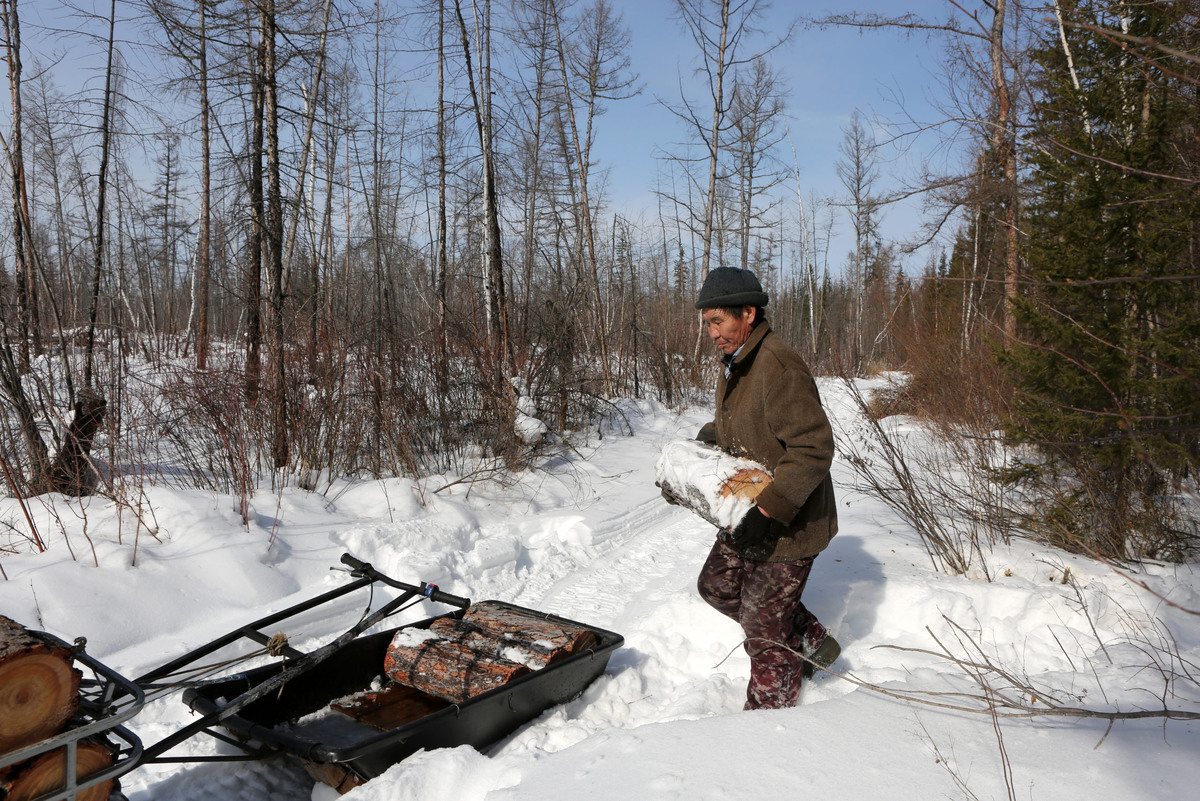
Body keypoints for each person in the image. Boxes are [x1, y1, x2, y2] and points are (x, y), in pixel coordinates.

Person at [690, 266, 840, 710]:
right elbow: (750, 423)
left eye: (718, 322)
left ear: (748, 313)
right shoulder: (740, 361)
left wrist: (770, 511)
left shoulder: (778, 366)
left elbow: (813, 448)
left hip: (791, 519)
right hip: (749, 507)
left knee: (763, 630)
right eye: (707, 324)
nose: (712, 333)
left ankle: (765, 728)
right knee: (716, 585)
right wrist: (705, 440)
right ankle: (811, 641)